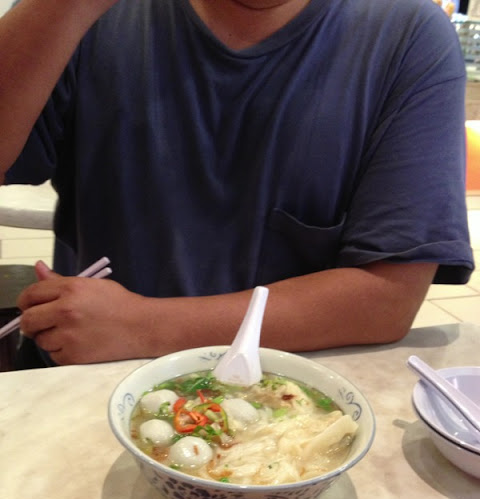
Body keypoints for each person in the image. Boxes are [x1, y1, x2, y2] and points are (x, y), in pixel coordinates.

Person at [0, 0, 474, 367]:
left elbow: (387, 299)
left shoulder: (404, 35)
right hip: (84, 383)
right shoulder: (92, 17)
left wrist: (144, 326)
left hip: (286, 404)